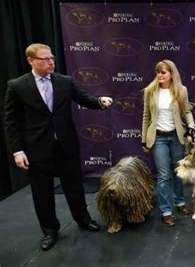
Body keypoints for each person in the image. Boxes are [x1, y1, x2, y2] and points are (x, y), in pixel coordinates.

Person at [4, 43, 113, 251]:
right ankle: (49, 230)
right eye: (45, 59)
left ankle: (83, 219)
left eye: (52, 58)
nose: (51, 62)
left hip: (66, 145)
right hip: (37, 148)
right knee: (42, 192)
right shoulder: (17, 86)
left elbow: (84, 98)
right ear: (31, 61)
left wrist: (99, 101)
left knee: (74, 187)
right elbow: (11, 122)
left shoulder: (65, 81)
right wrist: (17, 151)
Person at [141, 59, 195, 227]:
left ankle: (180, 202)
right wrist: (144, 139)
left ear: (172, 74)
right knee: (164, 175)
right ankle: (166, 210)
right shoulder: (150, 91)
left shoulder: (181, 90)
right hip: (158, 138)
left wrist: (192, 126)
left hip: (177, 137)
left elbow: (186, 111)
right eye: (158, 72)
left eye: (163, 72)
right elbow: (146, 116)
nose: (159, 75)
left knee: (178, 171)